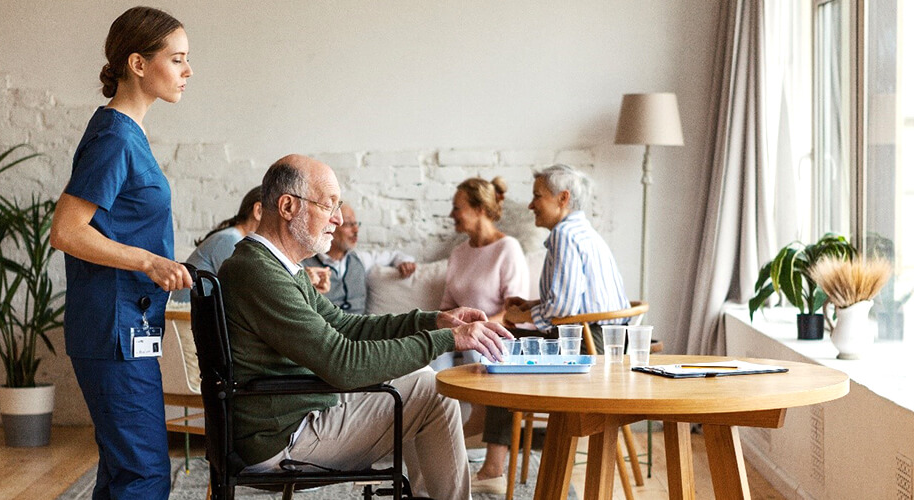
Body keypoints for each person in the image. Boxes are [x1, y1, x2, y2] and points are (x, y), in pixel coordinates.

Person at [218, 154, 513, 499]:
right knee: (433, 390)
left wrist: (430, 320)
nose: (338, 218)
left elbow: (344, 325)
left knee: (424, 383)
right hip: (281, 440)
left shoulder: (275, 267)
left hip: (288, 419)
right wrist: (446, 339)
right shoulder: (260, 273)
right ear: (287, 207)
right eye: (329, 205)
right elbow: (343, 363)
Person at [49, 7, 192, 499]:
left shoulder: (129, 134)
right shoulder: (115, 136)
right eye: (176, 60)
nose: (187, 72)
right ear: (137, 62)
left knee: (123, 471)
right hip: (113, 331)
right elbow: (66, 231)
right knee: (145, 473)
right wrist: (148, 261)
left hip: (128, 329)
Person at [440, 177, 530, 495]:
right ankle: (435, 444)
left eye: (457, 207)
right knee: (426, 363)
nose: (452, 214)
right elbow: (447, 306)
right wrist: (452, 327)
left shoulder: (508, 249)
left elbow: (515, 311)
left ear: (479, 209)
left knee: (485, 357)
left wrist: (478, 328)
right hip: (458, 335)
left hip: (495, 336)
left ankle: (490, 466)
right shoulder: (459, 253)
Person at [502, 164, 629, 340]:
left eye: (537, 196)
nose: (531, 205)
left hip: (587, 341)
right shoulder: (582, 231)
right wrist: (531, 306)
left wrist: (519, 317)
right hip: (611, 338)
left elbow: (563, 308)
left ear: (563, 198)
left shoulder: (564, 235)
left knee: (499, 347)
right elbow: (579, 301)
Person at [170, 186, 329, 302]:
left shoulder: (241, 243)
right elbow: (260, 291)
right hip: (189, 323)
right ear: (259, 211)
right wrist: (302, 282)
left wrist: (306, 286)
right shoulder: (231, 240)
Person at [302, 203, 415, 314]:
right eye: (348, 224)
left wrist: (404, 262)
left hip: (360, 329)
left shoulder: (360, 259)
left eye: (356, 224)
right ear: (329, 227)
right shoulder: (304, 264)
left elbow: (395, 256)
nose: (356, 230)